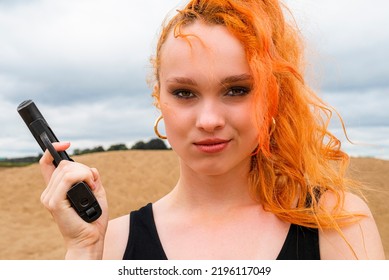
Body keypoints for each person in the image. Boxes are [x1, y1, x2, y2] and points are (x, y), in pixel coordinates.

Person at [39, 0, 385, 260]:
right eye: (185, 93)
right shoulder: (109, 242)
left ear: (272, 96)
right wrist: (83, 250)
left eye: (236, 90)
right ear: (158, 98)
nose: (208, 120)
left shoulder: (337, 224)